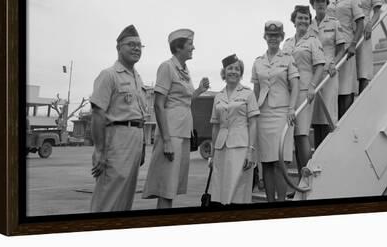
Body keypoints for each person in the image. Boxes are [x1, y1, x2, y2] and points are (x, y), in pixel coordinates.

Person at [142, 29, 210, 208]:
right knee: (166, 188)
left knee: (171, 188)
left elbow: (185, 100)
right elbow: (158, 104)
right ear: (179, 47)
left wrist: (200, 91)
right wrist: (166, 140)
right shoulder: (167, 67)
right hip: (171, 134)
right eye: (190, 44)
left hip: (182, 133)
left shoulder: (184, 70)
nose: (193, 47)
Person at [89, 24, 147, 212]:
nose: (136, 48)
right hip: (117, 141)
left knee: (125, 199)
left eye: (139, 45)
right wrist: (99, 150)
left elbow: (140, 117)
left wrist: (143, 146)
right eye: (131, 44)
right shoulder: (109, 75)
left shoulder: (137, 78)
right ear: (118, 48)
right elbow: (98, 114)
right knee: (108, 197)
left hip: (135, 141)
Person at [251, 21, 300, 202]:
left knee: (281, 162)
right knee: (267, 163)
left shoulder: (287, 58)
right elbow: (256, 90)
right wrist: (253, 113)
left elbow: (295, 85)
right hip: (263, 114)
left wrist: (292, 108)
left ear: (281, 37)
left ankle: (281, 202)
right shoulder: (258, 62)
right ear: (265, 37)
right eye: (270, 35)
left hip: (282, 114)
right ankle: (270, 202)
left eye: (276, 35)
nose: (273, 38)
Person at [209, 54, 259, 205]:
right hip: (221, 148)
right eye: (230, 68)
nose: (234, 71)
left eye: (237, 69)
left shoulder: (248, 94)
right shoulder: (218, 96)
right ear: (224, 72)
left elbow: (254, 123)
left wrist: (251, 151)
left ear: (241, 73)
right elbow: (215, 126)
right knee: (220, 190)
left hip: (241, 147)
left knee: (238, 191)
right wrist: (212, 155)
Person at [282, 5, 325, 171]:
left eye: (306, 18)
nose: (303, 21)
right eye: (300, 17)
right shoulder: (287, 43)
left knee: (302, 134)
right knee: (292, 137)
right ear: (294, 20)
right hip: (286, 93)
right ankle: (301, 181)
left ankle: (308, 178)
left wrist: (313, 86)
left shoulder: (313, 40)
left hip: (303, 92)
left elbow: (320, 66)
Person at [308, 0, 346, 148]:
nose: (320, 4)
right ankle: (317, 150)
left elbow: (341, 48)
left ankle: (330, 148)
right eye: (317, 1)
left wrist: (334, 64)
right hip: (313, 73)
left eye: (322, 0)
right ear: (313, 4)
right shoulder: (309, 25)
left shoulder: (334, 23)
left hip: (329, 72)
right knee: (315, 114)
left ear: (326, 3)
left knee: (329, 112)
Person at [327, 0, 365, 119]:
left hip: (346, 46)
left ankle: (346, 118)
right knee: (332, 84)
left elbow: (360, 23)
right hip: (331, 47)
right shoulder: (330, 1)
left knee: (346, 85)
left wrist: (353, 44)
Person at [349, 0, 383, 94]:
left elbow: (377, 12)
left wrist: (370, 25)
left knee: (363, 69)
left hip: (363, 30)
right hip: (348, 30)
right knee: (350, 68)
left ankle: (362, 98)